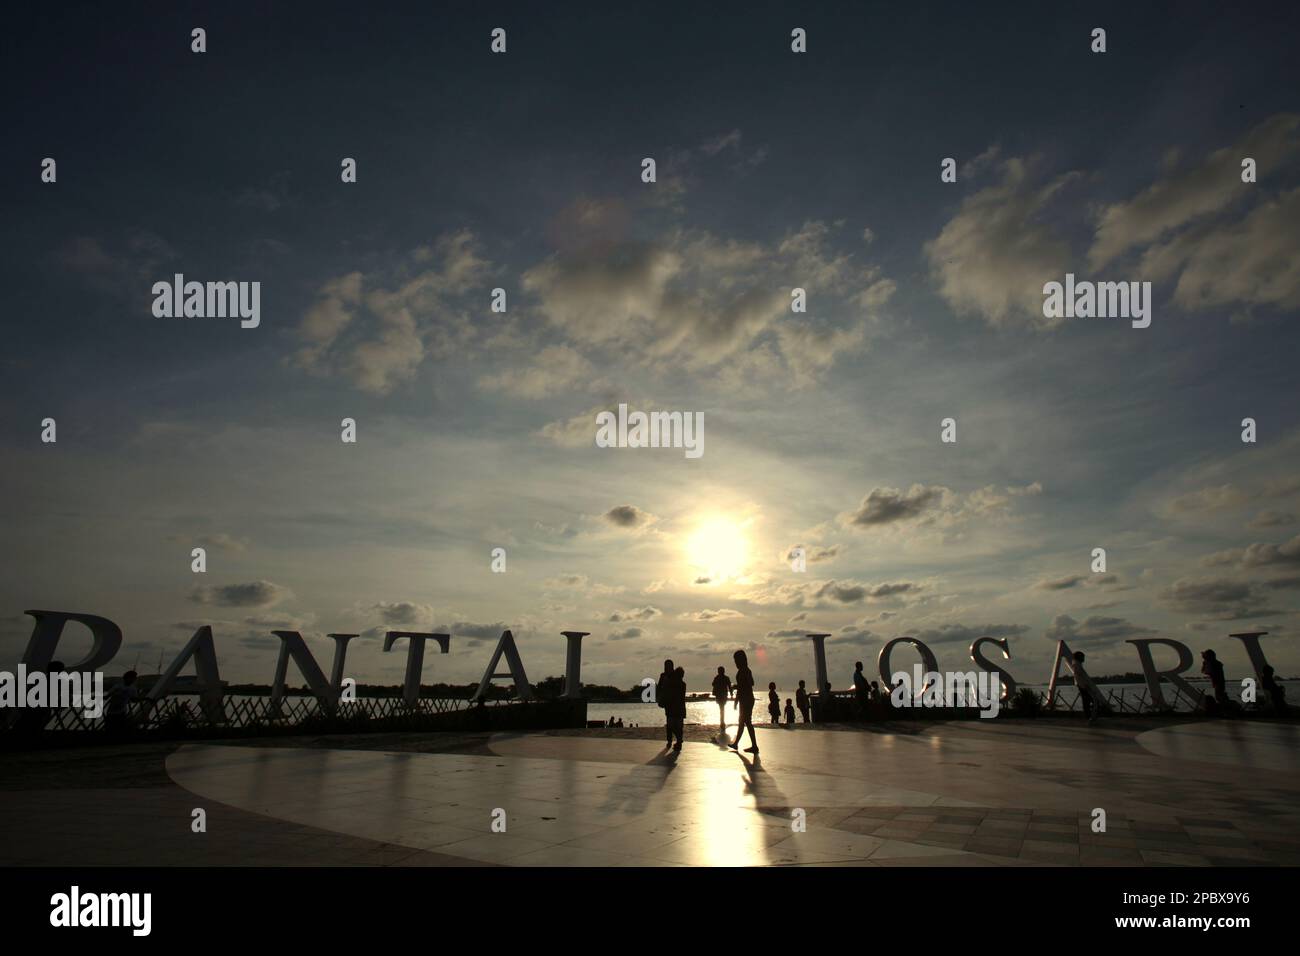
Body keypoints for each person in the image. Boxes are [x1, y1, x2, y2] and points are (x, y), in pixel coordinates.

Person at [729, 650, 758, 754]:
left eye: (736, 660)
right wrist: (736, 700)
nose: (735, 663)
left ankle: (754, 746)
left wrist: (736, 686)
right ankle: (736, 743)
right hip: (746, 699)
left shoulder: (743, 671)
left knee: (746, 722)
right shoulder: (746, 670)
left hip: (746, 699)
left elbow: (746, 685)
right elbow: (750, 683)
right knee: (742, 722)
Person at [104, 669, 138, 737]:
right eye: (131, 678)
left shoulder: (133, 689)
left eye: (133, 678)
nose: (132, 680)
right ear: (126, 678)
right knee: (111, 726)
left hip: (122, 710)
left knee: (119, 725)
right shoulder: (118, 686)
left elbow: (134, 699)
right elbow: (107, 696)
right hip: (112, 710)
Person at [656, 659, 677, 748]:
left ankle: (677, 738)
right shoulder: (663, 675)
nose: (667, 667)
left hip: (675, 701)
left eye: (668, 666)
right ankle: (669, 740)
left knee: (674, 721)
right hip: (667, 702)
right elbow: (659, 687)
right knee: (669, 720)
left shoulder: (675, 675)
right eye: (666, 666)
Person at [1072, 651, 1097, 724]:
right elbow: (1079, 677)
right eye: (1083, 657)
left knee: (1088, 700)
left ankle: (1090, 716)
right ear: (1079, 657)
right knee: (1087, 701)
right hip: (1083, 686)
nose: (1084, 658)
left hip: (1083, 685)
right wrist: (1085, 685)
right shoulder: (1077, 665)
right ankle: (1089, 717)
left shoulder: (1077, 664)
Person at [667, 666, 687, 751]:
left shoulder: (673, 684)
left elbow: (671, 695)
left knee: (672, 726)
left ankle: (679, 740)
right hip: (680, 707)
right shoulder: (682, 684)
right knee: (679, 726)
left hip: (673, 707)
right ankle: (679, 742)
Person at [711, 665, 732, 734]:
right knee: (722, 708)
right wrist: (731, 694)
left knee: (721, 708)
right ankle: (722, 722)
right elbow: (729, 686)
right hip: (723, 695)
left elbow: (713, 684)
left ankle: (722, 722)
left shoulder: (717, 677)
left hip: (720, 695)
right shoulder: (726, 678)